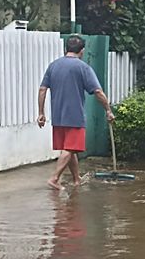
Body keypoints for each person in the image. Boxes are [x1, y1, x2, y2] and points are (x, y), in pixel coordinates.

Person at [38, 35, 114, 190]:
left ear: (66, 48)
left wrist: (41, 113)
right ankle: (54, 178)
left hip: (58, 116)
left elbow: (42, 89)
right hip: (74, 116)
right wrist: (108, 110)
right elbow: (98, 91)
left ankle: (76, 179)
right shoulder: (82, 67)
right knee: (70, 148)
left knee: (69, 149)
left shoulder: (53, 66)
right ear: (82, 51)